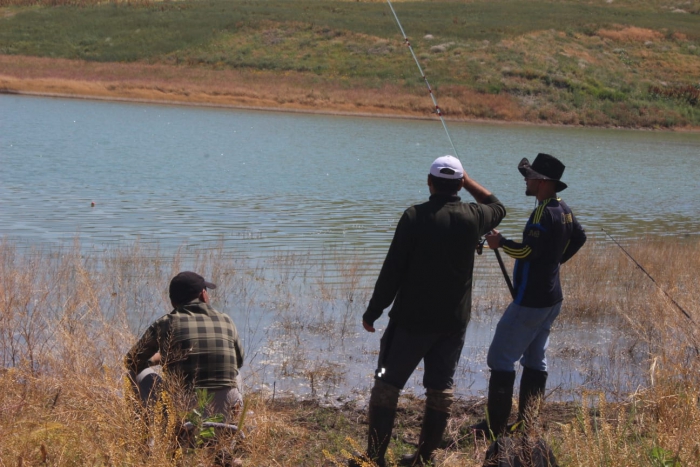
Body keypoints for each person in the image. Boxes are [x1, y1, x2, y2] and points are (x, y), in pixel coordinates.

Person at [352, 155, 506, 467]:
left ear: (429, 182)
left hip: (411, 321)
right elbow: (498, 206)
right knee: (440, 390)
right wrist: (469, 181)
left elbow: (393, 269)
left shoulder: (414, 216)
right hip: (453, 324)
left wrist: (373, 311)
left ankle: (375, 458)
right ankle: (423, 459)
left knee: (386, 385)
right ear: (459, 185)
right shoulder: (475, 216)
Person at [471, 153, 586, 437]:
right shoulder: (563, 208)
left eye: (530, 176)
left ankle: (495, 428)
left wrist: (500, 242)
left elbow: (527, 251)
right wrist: (554, 262)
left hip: (532, 300)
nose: (526, 180)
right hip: (551, 299)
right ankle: (527, 423)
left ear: (543, 181)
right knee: (535, 359)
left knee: (499, 358)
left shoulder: (543, 212)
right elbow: (579, 237)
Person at [125, 271, 245, 423]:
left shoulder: (165, 323)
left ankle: (147, 430)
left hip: (183, 413)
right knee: (236, 373)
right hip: (226, 412)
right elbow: (239, 361)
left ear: (173, 302)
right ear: (203, 295)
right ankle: (232, 424)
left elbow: (131, 361)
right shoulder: (226, 320)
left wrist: (158, 359)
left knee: (135, 373)